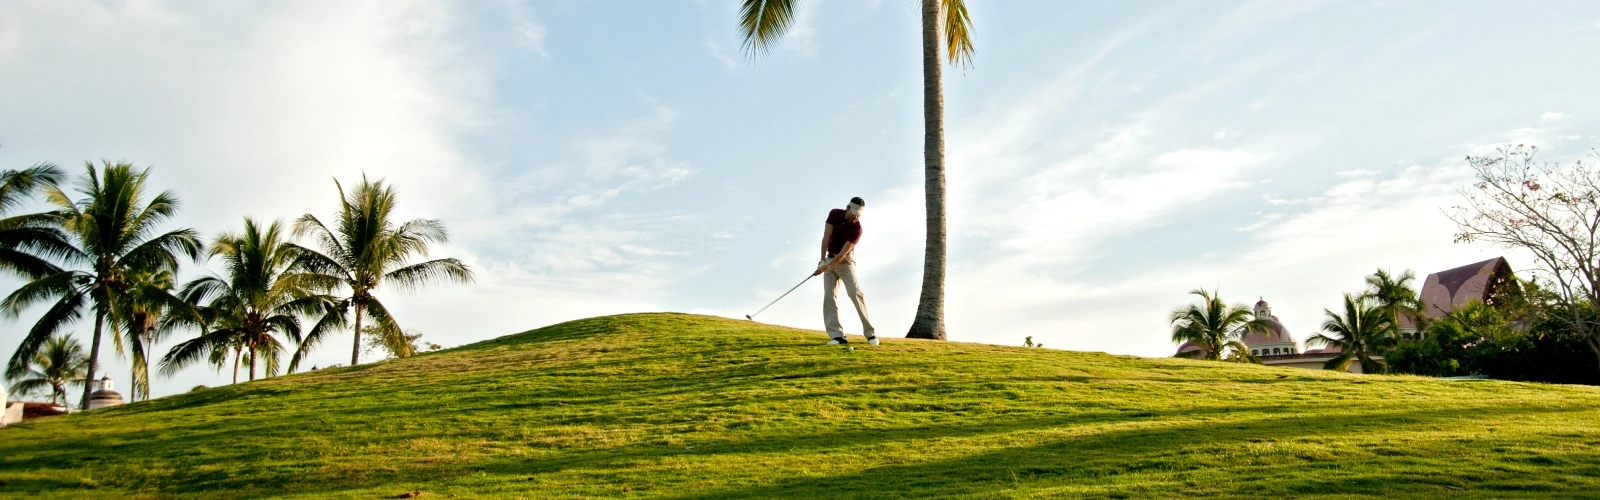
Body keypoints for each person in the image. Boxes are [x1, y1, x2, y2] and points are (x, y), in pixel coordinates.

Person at [815, 197, 876, 345]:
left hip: (846, 262)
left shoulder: (857, 228)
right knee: (829, 296)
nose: (855, 216)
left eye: (858, 214)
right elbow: (826, 238)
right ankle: (838, 336)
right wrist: (822, 261)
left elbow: (843, 253)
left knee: (855, 293)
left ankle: (870, 334)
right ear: (847, 208)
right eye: (853, 212)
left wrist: (826, 267)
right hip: (829, 259)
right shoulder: (834, 214)